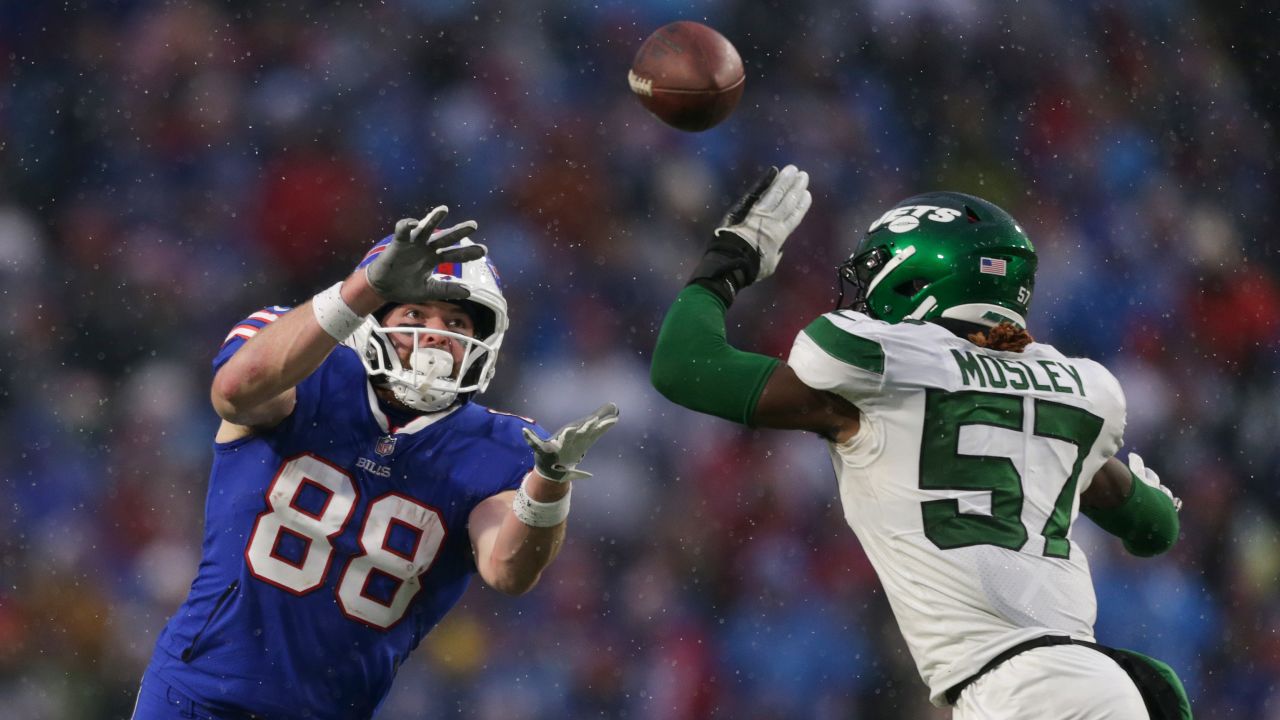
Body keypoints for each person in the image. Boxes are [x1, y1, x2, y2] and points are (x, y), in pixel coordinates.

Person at [650, 166, 1192, 719]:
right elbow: (1156, 529)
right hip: (1094, 684)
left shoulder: (880, 380)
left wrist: (729, 260)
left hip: (1016, 693)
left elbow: (682, 366)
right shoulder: (1072, 392)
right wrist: (1139, 496)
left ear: (915, 279)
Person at [133, 206, 619, 719]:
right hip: (198, 694)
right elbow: (235, 392)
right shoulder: (309, 368)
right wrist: (361, 286)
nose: (436, 334)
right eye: (414, 315)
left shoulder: (502, 446)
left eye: (455, 322)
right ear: (373, 316)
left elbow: (507, 570)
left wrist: (549, 486)